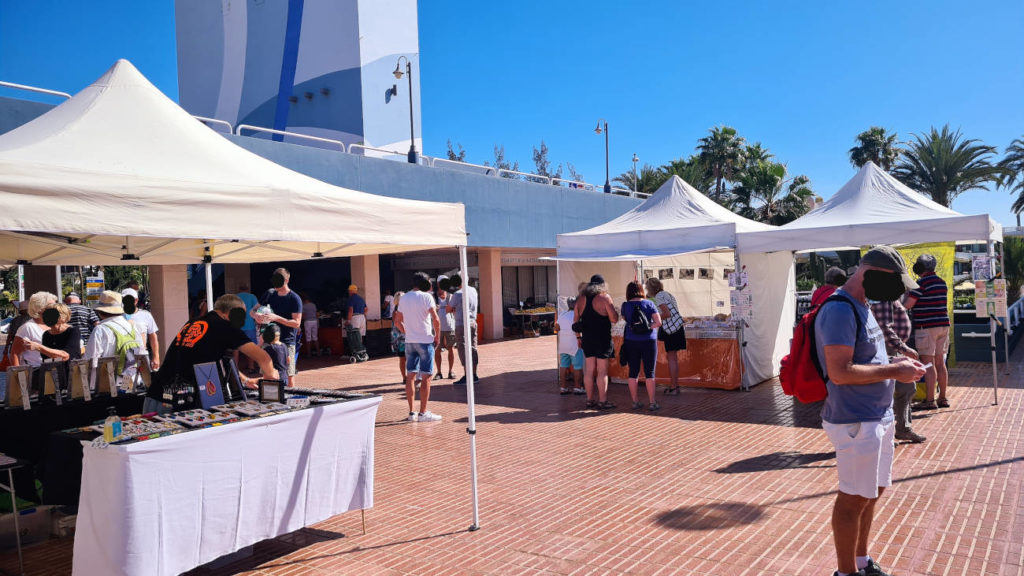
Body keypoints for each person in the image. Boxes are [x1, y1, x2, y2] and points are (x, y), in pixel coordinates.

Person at [815, 246, 926, 576]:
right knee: (852, 498)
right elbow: (840, 372)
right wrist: (894, 372)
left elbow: (865, 361)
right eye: (895, 283)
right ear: (870, 275)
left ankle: (862, 562)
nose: (898, 292)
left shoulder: (863, 306)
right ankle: (845, 572)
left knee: (871, 493)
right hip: (855, 421)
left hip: (877, 415)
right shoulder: (838, 310)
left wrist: (896, 363)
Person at [146, 294, 279, 414]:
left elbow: (223, 361)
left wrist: (246, 380)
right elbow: (264, 358)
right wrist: (270, 377)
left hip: (155, 394)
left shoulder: (192, 322)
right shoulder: (224, 326)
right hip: (178, 404)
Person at [870, 298, 925, 443]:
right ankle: (884, 433)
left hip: (893, 348)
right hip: (889, 348)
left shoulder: (887, 295)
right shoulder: (882, 295)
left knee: (906, 387)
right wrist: (904, 349)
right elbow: (884, 327)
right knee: (889, 390)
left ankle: (903, 429)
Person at [904, 254, 950, 410]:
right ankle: (942, 398)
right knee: (940, 363)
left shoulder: (920, 283)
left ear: (920, 267)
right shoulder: (942, 283)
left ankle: (929, 400)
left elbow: (908, 305)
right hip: (943, 325)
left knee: (928, 364)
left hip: (927, 327)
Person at [394, 272, 442, 422]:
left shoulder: (404, 298)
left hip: (410, 341)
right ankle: (423, 413)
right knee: (427, 377)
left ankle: (411, 412)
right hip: (425, 340)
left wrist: (407, 332)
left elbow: (397, 321)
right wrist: (437, 337)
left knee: (410, 376)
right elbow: (436, 319)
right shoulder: (427, 297)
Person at [573, 274, 619, 410]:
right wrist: (615, 311)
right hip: (602, 338)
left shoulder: (581, 299)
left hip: (587, 338)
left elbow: (575, 322)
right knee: (602, 371)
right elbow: (614, 319)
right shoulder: (605, 297)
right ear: (602, 285)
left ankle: (589, 399)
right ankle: (603, 401)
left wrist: (578, 337)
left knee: (589, 370)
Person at [253, 268, 303, 387]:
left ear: (286, 280)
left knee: (289, 375)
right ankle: (268, 401)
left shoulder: (294, 298)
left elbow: (297, 323)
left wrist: (276, 318)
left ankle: (290, 403)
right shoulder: (269, 294)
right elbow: (253, 310)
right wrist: (256, 316)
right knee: (266, 375)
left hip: (286, 342)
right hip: (267, 340)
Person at [621, 281, 662, 410]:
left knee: (633, 371)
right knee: (650, 372)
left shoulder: (625, 305)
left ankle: (635, 401)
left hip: (631, 340)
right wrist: (648, 326)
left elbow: (626, 319)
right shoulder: (649, 303)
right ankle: (652, 402)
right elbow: (658, 322)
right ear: (641, 290)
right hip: (648, 340)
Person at [83, 290, 137, 385]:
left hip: (106, 385)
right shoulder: (131, 326)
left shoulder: (100, 329)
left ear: (100, 311)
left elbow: (91, 360)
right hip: (129, 381)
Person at [645, 277, 686, 395]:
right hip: (677, 328)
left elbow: (667, 314)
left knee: (671, 358)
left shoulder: (658, 297)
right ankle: (675, 385)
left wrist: (655, 319)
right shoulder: (667, 294)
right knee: (673, 358)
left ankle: (673, 387)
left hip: (671, 330)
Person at [11, 291, 58, 368]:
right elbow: (15, 353)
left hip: (55, 370)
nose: (56, 308)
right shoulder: (28, 327)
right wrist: (18, 375)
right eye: (52, 306)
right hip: (35, 372)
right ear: (39, 308)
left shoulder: (55, 324)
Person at [447, 274, 479, 385]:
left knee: (463, 348)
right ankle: (474, 374)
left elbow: (448, 308)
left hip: (461, 324)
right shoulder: (473, 290)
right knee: (473, 347)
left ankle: (467, 375)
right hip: (473, 322)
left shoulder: (457, 294)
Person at [121, 288, 160, 371]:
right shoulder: (118, 316)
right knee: (126, 382)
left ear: (136, 300)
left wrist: (156, 356)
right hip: (124, 359)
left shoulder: (146, 315)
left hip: (142, 356)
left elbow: (153, 336)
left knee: (146, 382)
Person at [555, 296, 585, 395]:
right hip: (574, 343)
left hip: (563, 343)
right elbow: (577, 329)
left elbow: (557, 328)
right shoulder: (577, 315)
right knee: (577, 366)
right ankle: (577, 387)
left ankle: (563, 387)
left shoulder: (562, 314)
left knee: (563, 365)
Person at [434, 276, 456, 379]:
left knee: (450, 349)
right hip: (436, 328)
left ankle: (451, 371)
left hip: (450, 327)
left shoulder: (451, 296)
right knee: (437, 350)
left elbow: (455, 310)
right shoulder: (433, 297)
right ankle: (439, 372)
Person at [235, 284, 260, 373]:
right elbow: (258, 308)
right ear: (247, 289)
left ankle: (236, 368)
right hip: (249, 325)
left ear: (239, 289)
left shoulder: (235, 297)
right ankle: (251, 367)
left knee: (236, 347)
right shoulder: (252, 297)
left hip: (237, 326)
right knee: (250, 347)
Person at [3, 300, 30, 365]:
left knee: (20, 368)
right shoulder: (33, 319)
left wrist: (6, 348)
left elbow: (10, 335)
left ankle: (22, 375)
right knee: (30, 368)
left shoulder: (15, 320)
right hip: (29, 348)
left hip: (16, 348)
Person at [390, 291, 407, 382]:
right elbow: (399, 324)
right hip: (403, 338)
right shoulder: (398, 311)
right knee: (405, 358)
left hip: (400, 338)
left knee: (403, 359)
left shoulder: (396, 310)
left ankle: (405, 377)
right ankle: (405, 377)